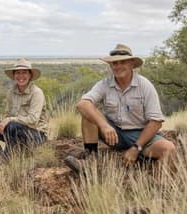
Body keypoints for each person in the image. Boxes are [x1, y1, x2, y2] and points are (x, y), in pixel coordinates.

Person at [64, 44, 176, 174]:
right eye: (114, 63)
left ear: (131, 64)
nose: (117, 66)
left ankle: (156, 183)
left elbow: (156, 122)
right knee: (88, 114)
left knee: (169, 148)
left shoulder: (145, 85)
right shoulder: (105, 84)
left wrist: (136, 148)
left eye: (122, 62)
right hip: (114, 134)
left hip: (140, 135)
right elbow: (82, 104)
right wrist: (104, 126)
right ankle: (90, 161)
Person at [0, 58, 48, 163]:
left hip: (36, 135)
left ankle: (6, 160)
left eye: (24, 73)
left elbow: (33, 120)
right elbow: (8, 114)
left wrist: (10, 120)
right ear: (14, 75)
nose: (21, 76)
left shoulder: (37, 93)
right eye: (18, 73)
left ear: (30, 75)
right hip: (15, 132)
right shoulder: (11, 92)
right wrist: (6, 121)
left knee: (11, 125)